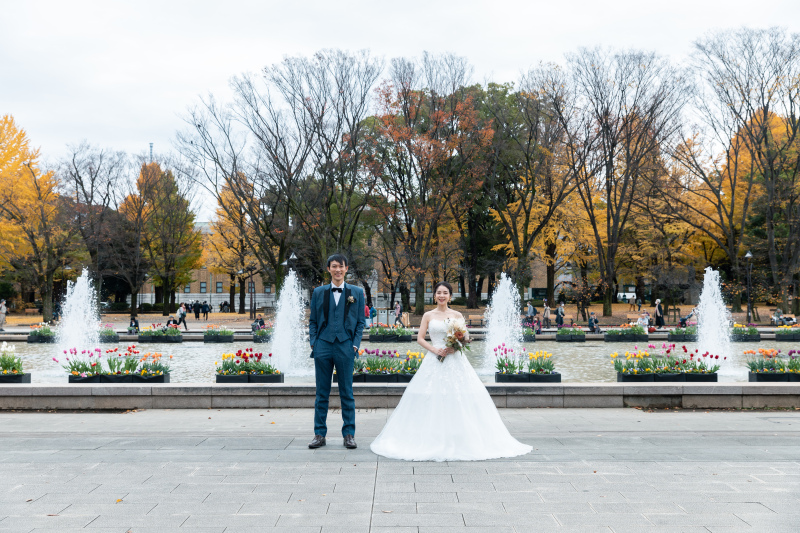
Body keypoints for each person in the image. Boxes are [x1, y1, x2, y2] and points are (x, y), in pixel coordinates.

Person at [370, 281, 532, 461]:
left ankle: (461, 437)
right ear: (435, 296)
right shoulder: (428, 315)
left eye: (445, 293)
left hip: (455, 359)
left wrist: (456, 346)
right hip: (434, 358)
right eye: (438, 292)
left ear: (450, 296)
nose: (441, 295)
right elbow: (420, 338)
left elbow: (466, 337)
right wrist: (435, 350)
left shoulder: (457, 315)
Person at [308, 254, 366, 451]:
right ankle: (319, 434)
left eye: (341, 266)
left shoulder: (357, 292)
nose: (338, 270)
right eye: (334, 266)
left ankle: (349, 434)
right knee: (321, 392)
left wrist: (355, 345)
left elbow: (360, 322)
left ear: (346, 269)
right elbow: (313, 321)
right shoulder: (318, 292)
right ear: (329, 269)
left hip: (345, 346)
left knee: (347, 392)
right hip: (323, 346)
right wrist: (314, 343)